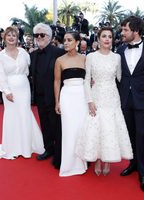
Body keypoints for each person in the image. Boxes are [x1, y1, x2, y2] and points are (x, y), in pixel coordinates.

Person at [77, 26, 133, 176]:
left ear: (112, 40)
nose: (107, 39)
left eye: (110, 36)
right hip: (96, 96)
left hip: (112, 97)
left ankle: (107, 161)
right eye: (104, 36)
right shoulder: (90, 57)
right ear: (98, 39)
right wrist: (89, 100)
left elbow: (120, 78)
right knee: (96, 128)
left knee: (110, 129)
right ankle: (96, 160)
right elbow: (87, 79)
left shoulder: (117, 57)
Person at [0, 26, 44, 159]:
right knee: (12, 115)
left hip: (24, 87)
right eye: (8, 35)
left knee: (25, 113)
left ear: (17, 38)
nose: (11, 38)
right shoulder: (0, 56)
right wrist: (6, 91)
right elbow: (0, 75)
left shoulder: (23, 53)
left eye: (14, 35)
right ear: (4, 38)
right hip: (9, 89)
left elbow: (29, 69)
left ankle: (27, 145)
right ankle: (13, 146)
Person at [29, 23, 65, 169]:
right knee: (44, 123)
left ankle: (59, 152)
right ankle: (48, 148)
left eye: (42, 35)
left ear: (49, 37)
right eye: (36, 35)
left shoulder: (59, 53)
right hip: (39, 96)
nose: (39, 38)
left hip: (55, 97)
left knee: (57, 125)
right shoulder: (33, 55)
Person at [54, 31, 87, 176]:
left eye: (69, 40)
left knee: (81, 128)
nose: (65, 43)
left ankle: (82, 160)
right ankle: (68, 162)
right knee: (68, 129)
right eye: (64, 40)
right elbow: (57, 81)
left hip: (82, 97)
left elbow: (90, 79)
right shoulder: (60, 60)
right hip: (67, 96)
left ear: (77, 42)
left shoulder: (85, 59)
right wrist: (57, 101)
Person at [117, 16, 144, 191]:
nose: (122, 33)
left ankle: (143, 171)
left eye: (125, 30)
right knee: (130, 134)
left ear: (135, 31)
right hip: (125, 100)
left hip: (142, 99)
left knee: (142, 135)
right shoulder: (119, 50)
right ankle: (133, 163)